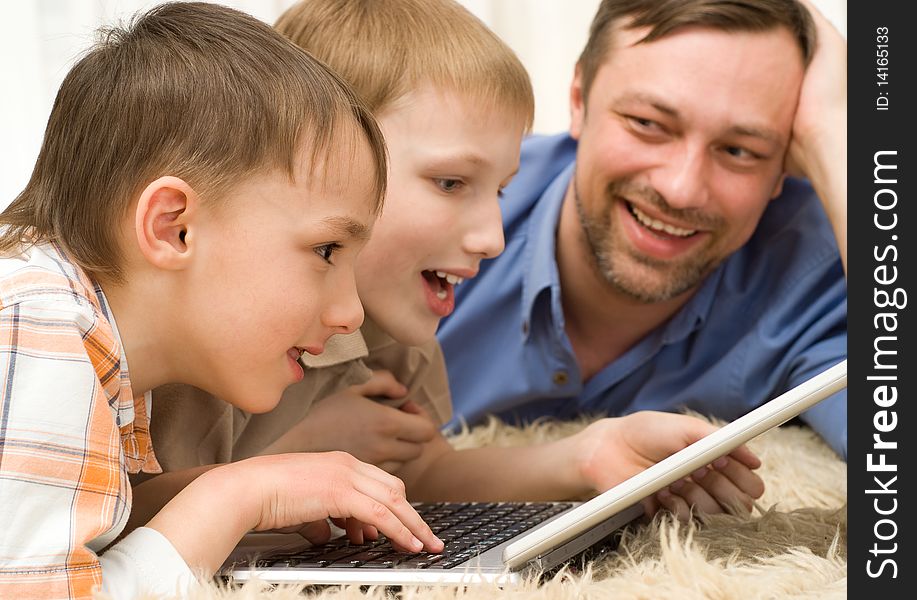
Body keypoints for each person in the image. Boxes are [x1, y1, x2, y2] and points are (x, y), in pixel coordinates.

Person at [133, 0, 766, 531]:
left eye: (498, 191)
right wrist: (289, 462)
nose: (493, 239)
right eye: (451, 182)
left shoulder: (395, 339)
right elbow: (88, 517)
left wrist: (590, 457)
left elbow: (424, 473)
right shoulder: (202, 327)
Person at [0, 3, 443, 598]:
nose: (351, 314)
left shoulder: (86, 327)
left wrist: (265, 486)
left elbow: (86, 531)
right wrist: (240, 493)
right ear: (173, 228)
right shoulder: (38, 321)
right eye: (326, 249)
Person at [437, 0, 849, 461]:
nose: (681, 189)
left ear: (784, 168)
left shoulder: (815, 276)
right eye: (647, 124)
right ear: (578, 99)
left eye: (739, 151)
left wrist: (836, 138)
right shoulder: (435, 206)